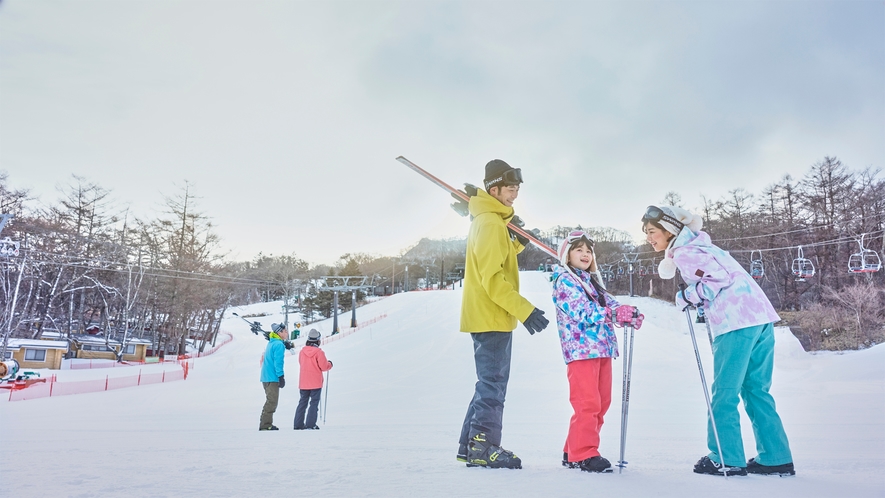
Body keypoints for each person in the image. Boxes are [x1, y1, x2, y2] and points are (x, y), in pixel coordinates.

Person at [641, 205, 795, 477]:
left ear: (670, 230)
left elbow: (717, 280)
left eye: (652, 232)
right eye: (646, 233)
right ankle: (776, 457)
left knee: (724, 392)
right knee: (756, 389)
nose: (649, 238)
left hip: (735, 322)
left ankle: (726, 457)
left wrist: (686, 297)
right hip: (760, 317)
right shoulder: (706, 247)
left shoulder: (685, 252)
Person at [457, 159, 550, 470]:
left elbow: (498, 258)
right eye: (511, 188)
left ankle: (470, 446)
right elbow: (493, 279)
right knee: (493, 384)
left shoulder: (489, 221)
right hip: (491, 315)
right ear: (494, 189)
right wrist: (526, 310)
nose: (515, 194)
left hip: (488, 315)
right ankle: (484, 447)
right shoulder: (490, 223)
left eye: (517, 189)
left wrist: (518, 244)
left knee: (488, 382)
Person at [551, 230, 643, 473]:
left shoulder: (591, 281)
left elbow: (609, 303)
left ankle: (572, 449)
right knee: (587, 403)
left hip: (602, 348)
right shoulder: (565, 280)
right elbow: (581, 311)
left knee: (601, 403)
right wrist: (612, 314)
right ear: (567, 255)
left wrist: (626, 313)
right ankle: (585, 453)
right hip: (581, 350)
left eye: (588, 250)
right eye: (578, 249)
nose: (585, 254)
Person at [294, 329, 333, 430]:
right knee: (314, 403)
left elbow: (301, 363)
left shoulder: (302, 352)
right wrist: (330, 364)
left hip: (303, 382)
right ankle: (311, 424)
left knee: (302, 402)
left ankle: (298, 424)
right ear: (318, 340)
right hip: (315, 382)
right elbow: (324, 367)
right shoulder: (319, 352)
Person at [259, 323, 288, 431]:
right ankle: (265, 424)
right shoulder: (278, 345)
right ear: (279, 333)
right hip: (272, 377)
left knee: (270, 400)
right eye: (285, 331)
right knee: (272, 401)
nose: (287, 333)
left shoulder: (272, 342)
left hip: (266, 376)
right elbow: (278, 362)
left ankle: (265, 423)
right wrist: (281, 376)